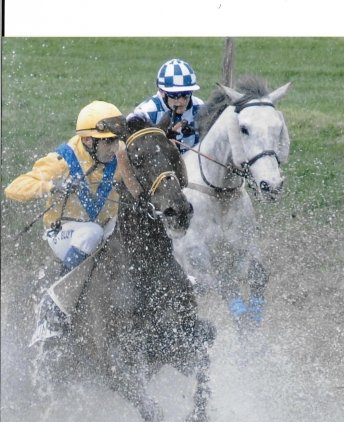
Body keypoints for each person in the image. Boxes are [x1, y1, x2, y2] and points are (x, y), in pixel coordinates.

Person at [5, 100, 130, 342]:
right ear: (88, 140)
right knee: (91, 232)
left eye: (116, 140)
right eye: (108, 141)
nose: (114, 147)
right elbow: (14, 188)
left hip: (106, 225)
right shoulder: (62, 159)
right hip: (63, 232)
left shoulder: (119, 154)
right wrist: (51, 185)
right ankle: (53, 303)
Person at [128, 58, 204, 151]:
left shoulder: (200, 107)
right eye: (175, 95)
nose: (181, 101)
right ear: (162, 92)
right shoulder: (146, 113)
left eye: (186, 94)